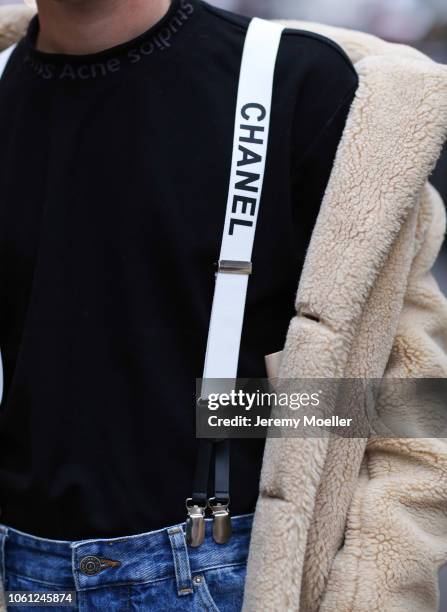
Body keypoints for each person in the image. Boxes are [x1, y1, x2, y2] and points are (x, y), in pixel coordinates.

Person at [0, 1, 446, 611]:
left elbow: (407, 411)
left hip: (223, 573)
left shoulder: (295, 85)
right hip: (21, 581)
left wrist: (224, 405)